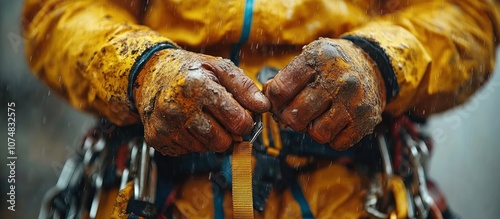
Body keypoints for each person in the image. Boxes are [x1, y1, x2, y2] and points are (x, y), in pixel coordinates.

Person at [22, 0, 499, 218]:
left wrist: (379, 61)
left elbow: (469, 18)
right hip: (158, 192)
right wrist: (144, 70)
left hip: (357, 191)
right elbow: (56, 14)